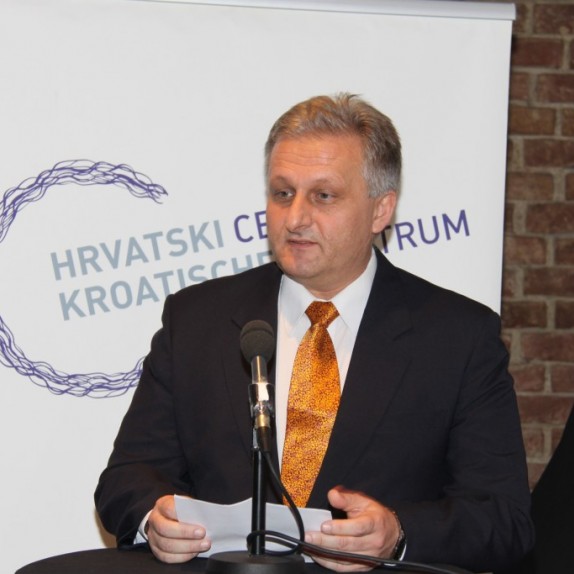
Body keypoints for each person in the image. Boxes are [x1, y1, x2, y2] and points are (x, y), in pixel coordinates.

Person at [95, 93, 534, 573]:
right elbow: (126, 478)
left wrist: (399, 534)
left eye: (324, 196)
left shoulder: (457, 337)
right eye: (283, 194)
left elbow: (504, 519)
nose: (295, 218)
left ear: (381, 210)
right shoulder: (197, 319)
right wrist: (153, 519)